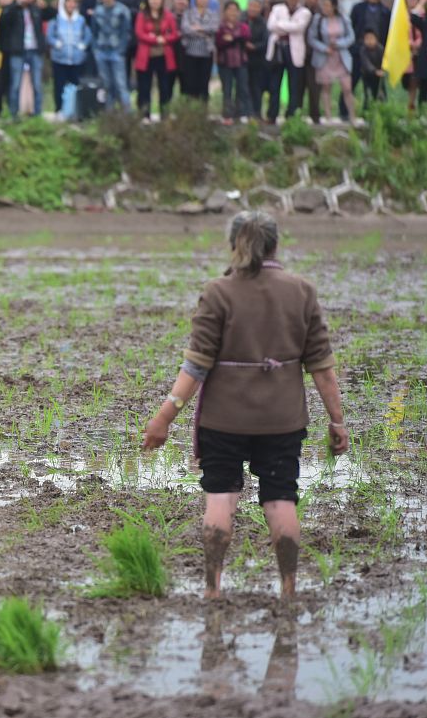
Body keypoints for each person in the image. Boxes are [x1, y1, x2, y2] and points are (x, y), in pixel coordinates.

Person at [143, 211, 347, 600]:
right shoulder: (302, 291)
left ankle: (212, 588)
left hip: (224, 420)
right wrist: (337, 422)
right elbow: (323, 369)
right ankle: (289, 588)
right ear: (275, 245)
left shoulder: (218, 291)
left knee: (221, 497)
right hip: (282, 420)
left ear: (233, 245)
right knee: (281, 496)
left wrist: (163, 418)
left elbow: (195, 367)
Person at [0, 0, 57, 118]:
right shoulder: (11, 10)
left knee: (37, 84)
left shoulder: (35, 9)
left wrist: (38, 0)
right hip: (18, 51)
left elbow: (52, 13)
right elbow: (4, 21)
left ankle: (38, 114)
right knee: (15, 84)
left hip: (35, 50)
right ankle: (14, 114)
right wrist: (16, 4)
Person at [265, 0, 312, 123]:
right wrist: (288, 27)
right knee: (274, 84)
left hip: (294, 51)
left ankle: (291, 115)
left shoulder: (305, 12)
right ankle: (272, 115)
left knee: (294, 85)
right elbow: (271, 26)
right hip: (278, 49)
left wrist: (281, 25)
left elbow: (299, 28)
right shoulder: (277, 8)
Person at [308, 0, 357, 125]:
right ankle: (328, 117)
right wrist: (324, 48)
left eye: (327, 5)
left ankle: (352, 116)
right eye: (323, 5)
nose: (325, 8)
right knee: (326, 88)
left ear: (334, 6)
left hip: (341, 57)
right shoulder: (318, 20)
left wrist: (339, 44)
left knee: (347, 87)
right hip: (324, 57)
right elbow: (311, 38)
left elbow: (351, 37)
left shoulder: (343, 19)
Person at [345, 0, 390, 120]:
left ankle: (378, 112)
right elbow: (350, 27)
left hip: (378, 53)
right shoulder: (358, 8)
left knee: (377, 84)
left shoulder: (385, 11)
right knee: (352, 82)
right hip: (359, 50)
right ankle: (345, 112)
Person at [134, 0, 178, 120]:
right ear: (147, 0)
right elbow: (139, 33)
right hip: (146, 57)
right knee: (144, 87)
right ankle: (144, 115)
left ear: (162, 0)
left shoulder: (168, 15)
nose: (155, 1)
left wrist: (164, 39)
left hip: (164, 56)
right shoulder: (142, 15)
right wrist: (154, 39)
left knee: (164, 87)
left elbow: (175, 34)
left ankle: (164, 114)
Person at [47, 0, 91, 117]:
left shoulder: (81, 20)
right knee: (59, 85)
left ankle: (75, 110)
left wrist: (83, 45)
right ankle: (59, 110)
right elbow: (49, 36)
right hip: (60, 58)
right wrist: (57, 44)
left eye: (74, 2)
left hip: (77, 59)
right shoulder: (56, 19)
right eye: (69, 1)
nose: (71, 4)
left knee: (76, 86)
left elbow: (88, 35)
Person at [90, 0, 132, 111]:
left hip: (116, 51)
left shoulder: (122, 10)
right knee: (106, 84)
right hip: (101, 51)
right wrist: (95, 49)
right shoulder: (97, 11)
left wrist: (121, 49)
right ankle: (109, 114)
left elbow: (126, 32)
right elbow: (94, 32)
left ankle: (128, 114)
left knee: (120, 84)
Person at [216, 0, 251, 124]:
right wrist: (232, 38)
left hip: (241, 61)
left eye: (235, 10)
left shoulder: (243, 26)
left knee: (242, 88)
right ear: (225, 12)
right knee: (227, 89)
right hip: (225, 62)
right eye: (229, 9)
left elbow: (245, 37)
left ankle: (242, 113)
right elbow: (219, 42)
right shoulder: (220, 27)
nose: (232, 12)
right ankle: (227, 115)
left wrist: (231, 37)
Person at [181, 0, 219, 102]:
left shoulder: (212, 14)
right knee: (190, 83)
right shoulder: (188, 13)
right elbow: (186, 29)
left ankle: (203, 110)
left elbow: (214, 28)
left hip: (206, 52)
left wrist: (198, 28)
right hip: (190, 52)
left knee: (204, 83)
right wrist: (204, 32)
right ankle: (191, 111)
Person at [245, 0, 270, 120]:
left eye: (256, 6)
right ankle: (244, 113)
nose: (253, 9)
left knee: (256, 88)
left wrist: (254, 46)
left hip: (257, 60)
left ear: (260, 9)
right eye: (251, 6)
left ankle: (257, 113)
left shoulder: (263, 23)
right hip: (242, 60)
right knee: (243, 87)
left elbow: (266, 42)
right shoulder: (241, 19)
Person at [404, 0, 423, 114]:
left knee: (418, 82)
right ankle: (410, 110)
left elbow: (425, 32)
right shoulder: (403, 15)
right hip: (407, 54)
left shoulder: (423, 15)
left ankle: (417, 109)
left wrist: (417, 44)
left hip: (420, 53)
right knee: (409, 83)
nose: (411, 0)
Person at [358, 30, 386, 108]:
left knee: (381, 94)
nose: (369, 41)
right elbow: (366, 63)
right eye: (367, 39)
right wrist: (374, 71)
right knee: (368, 95)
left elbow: (385, 60)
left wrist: (383, 69)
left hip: (379, 76)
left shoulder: (380, 49)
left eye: (371, 38)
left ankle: (382, 110)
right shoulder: (363, 50)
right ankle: (366, 112)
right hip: (367, 76)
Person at [170, 0, 191, 95]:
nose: (181, 1)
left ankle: (184, 109)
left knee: (187, 86)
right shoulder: (167, 15)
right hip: (170, 54)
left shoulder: (192, 16)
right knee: (168, 85)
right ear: (173, 0)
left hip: (187, 54)